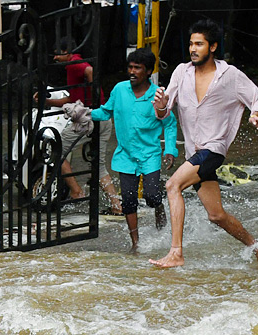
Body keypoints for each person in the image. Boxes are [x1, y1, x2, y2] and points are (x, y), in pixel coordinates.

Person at [149, 19, 258, 268]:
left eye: (199, 44)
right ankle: (257, 247)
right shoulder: (181, 72)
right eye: (191, 44)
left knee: (172, 185)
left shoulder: (229, 75)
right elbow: (164, 112)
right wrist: (161, 104)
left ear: (213, 47)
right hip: (193, 153)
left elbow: (256, 99)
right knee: (216, 215)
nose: (193, 49)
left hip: (213, 149)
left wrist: (257, 115)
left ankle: (176, 252)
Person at [86, 47, 178, 251]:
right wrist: (83, 114)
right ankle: (135, 243)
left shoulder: (158, 96)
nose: (132, 71)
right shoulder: (119, 90)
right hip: (125, 155)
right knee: (128, 201)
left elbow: (169, 124)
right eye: (130, 67)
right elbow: (105, 111)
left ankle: (159, 207)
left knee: (152, 195)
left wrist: (170, 150)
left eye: (138, 68)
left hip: (149, 154)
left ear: (148, 72)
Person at [49, 42, 121, 212]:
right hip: (102, 118)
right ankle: (117, 205)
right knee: (99, 165)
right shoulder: (75, 64)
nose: (55, 58)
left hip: (87, 117)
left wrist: (93, 95)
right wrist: (47, 101)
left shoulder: (74, 64)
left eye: (58, 54)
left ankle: (76, 191)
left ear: (67, 52)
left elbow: (89, 71)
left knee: (56, 151)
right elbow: (70, 98)